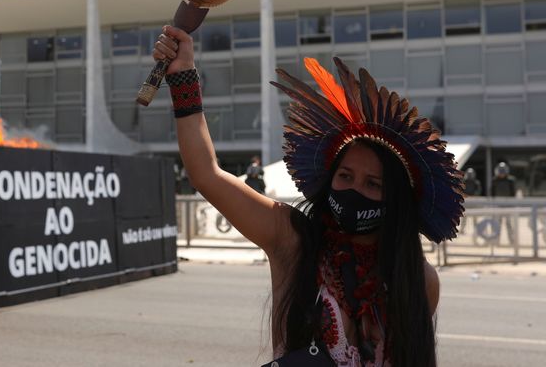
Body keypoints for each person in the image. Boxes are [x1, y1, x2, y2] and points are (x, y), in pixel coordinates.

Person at [153, 25, 465, 366]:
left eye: (373, 184)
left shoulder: (419, 279)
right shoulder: (292, 238)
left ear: (396, 200)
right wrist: (183, 78)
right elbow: (206, 174)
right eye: (345, 176)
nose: (354, 190)